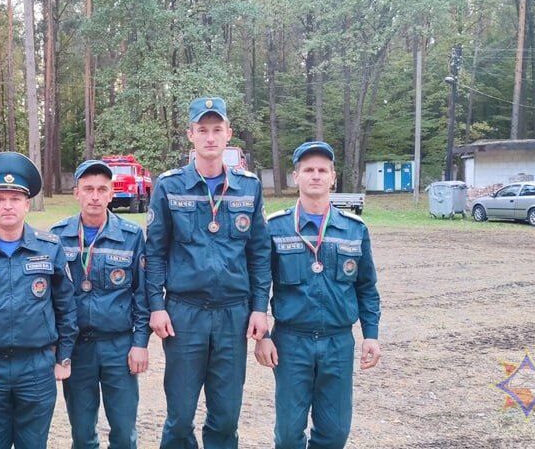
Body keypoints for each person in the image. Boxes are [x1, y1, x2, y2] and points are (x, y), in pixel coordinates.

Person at [145, 97, 272, 449]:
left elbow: (259, 252)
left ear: (229, 133)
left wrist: (259, 307)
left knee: (226, 416)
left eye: (217, 129)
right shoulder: (169, 186)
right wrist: (156, 305)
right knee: (180, 415)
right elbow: (154, 252)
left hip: (234, 314)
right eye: (203, 130)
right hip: (185, 314)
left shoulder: (249, 187)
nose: (210, 137)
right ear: (191, 135)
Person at [254, 141, 382, 449]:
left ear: (333, 177)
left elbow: (366, 287)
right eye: (308, 170)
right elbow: (258, 284)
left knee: (335, 432)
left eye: (322, 170)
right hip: (291, 343)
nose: (315, 175)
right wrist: (263, 336)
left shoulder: (354, 230)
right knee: (288, 434)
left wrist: (371, 335)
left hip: (337, 343)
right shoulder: (275, 228)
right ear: (295, 177)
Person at [0, 151, 78, 449]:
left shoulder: (49, 248)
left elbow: (66, 307)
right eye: (0, 198)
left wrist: (64, 357)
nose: (7, 205)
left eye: (15, 198)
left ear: (27, 204)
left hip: (36, 367)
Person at [50, 160, 149, 449]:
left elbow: (142, 294)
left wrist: (140, 343)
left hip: (118, 346)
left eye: (102, 189)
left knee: (124, 431)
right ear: (76, 193)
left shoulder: (131, 236)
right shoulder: (57, 236)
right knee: (82, 434)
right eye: (88, 189)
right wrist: (57, 347)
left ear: (111, 194)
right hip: (77, 348)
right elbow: (51, 297)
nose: (95, 196)